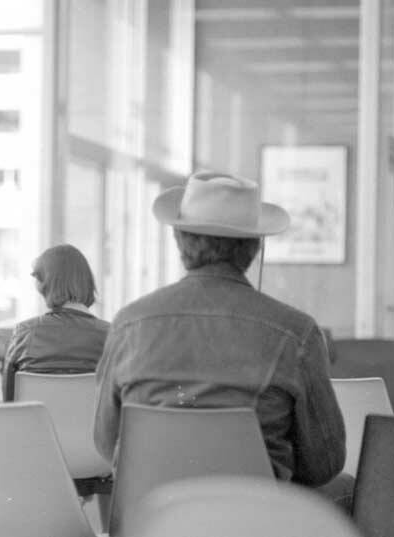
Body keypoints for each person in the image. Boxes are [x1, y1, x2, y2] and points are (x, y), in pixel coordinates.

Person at [94, 172, 348, 501]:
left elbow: (106, 441)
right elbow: (323, 463)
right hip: (252, 520)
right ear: (255, 246)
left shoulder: (128, 324)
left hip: (148, 521)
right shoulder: (296, 333)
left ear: (179, 240)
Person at [1, 244, 109, 401]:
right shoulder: (112, 335)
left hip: (34, 425)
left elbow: (9, 403)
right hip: (90, 426)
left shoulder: (24, 333)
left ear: (44, 286)